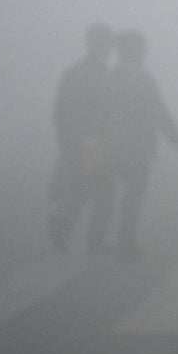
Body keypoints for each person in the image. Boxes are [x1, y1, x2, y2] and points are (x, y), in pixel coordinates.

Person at [88, 29, 178, 259]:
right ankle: (125, 244)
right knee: (132, 197)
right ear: (136, 51)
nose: (146, 53)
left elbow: (98, 114)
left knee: (105, 195)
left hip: (109, 145)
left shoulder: (110, 76)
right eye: (143, 49)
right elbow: (159, 113)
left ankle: (95, 240)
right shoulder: (143, 78)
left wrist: (95, 143)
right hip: (136, 147)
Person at [47, 22, 114, 253]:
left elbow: (58, 109)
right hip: (91, 140)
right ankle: (88, 238)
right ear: (100, 45)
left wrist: (63, 137)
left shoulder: (73, 71)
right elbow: (105, 109)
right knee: (102, 189)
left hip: (73, 137)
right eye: (106, 43)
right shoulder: (99, 74)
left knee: (84, 186)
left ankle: (62, 224)